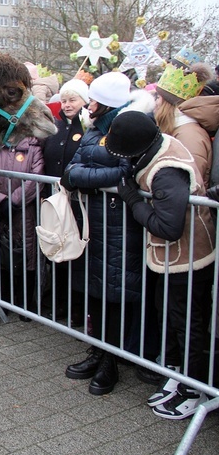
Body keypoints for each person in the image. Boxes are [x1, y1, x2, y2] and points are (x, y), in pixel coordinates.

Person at [107, 111, 215, 420]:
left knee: (188, 325)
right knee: (169, 318)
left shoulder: (167, 170)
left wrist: (133, 200)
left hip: (188, 258)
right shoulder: (156, 145)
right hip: (169, 257)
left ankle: (193, 391)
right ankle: (177, 377)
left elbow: (168, 227)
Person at [59, 71, 154, 395]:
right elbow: (70, 171)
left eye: (95, 99)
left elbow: (126, 171)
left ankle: (111, 362)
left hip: (122, 227)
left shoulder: (130, 128)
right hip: (94, 224)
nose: (90, 104)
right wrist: (94, 175)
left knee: (117, 298)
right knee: (96, 294)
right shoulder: (94, 129)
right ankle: (97, 351)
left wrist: (87, 175)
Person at [0, 135, 45, 321]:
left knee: (26, 256)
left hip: (24, 212)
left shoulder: (33, 146)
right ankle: (3, 301)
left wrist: (14, 201)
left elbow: (36, 177)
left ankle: (25, 304)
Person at [41, 77, 91, 326]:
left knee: (76, 254)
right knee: (56, 249)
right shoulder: (56, 126)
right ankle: (59, 303)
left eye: (73, 99)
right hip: (55, 200)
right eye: (64, 99)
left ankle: (78, 308)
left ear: (85, 101)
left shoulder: (88, 128)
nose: (68, 104)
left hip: (79, 202)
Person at [153, 63, 213, 185]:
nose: (155, 102)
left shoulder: (189, 136)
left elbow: (190, 183)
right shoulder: (178, 129)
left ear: (168, 104)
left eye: (158, 97)